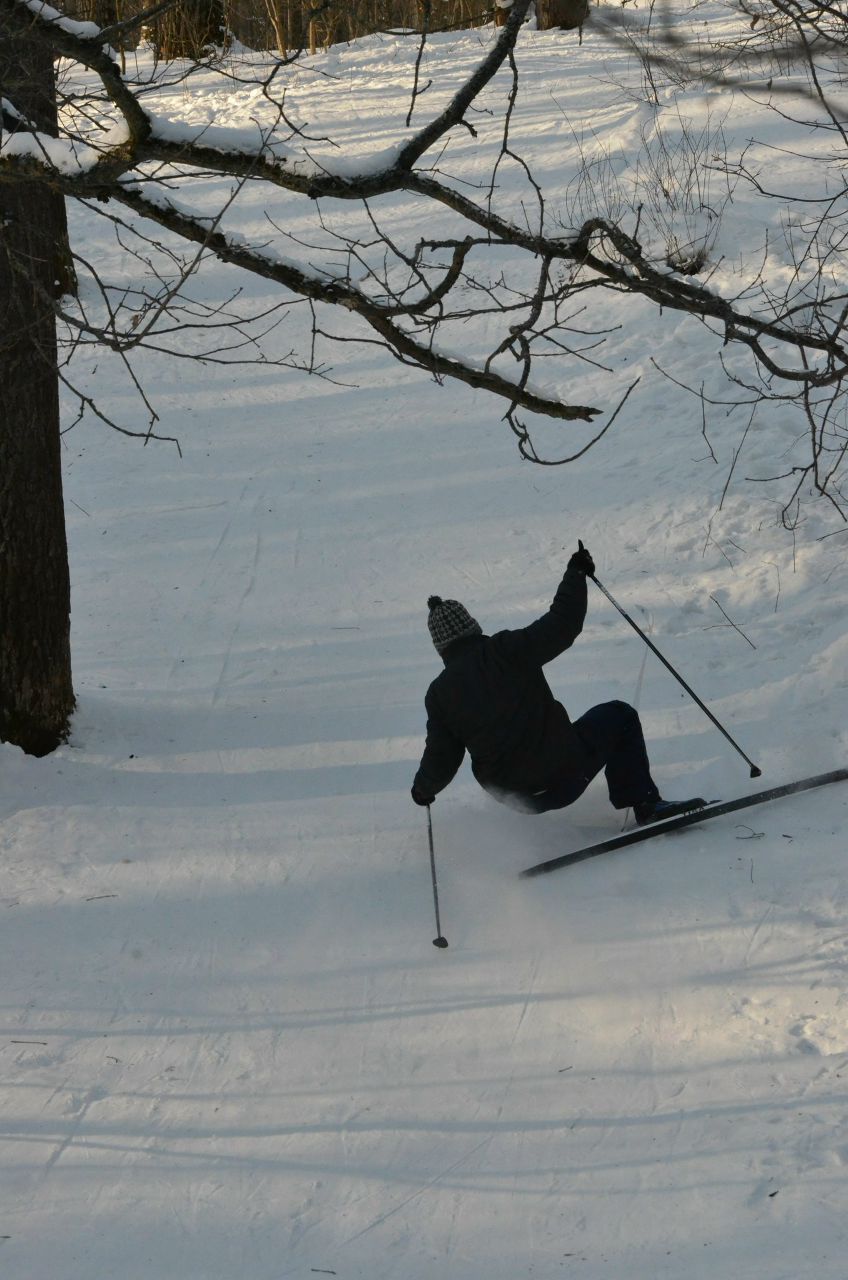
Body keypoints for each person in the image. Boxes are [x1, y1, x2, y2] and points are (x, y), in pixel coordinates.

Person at [411, 542, 704, 824]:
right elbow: (562, 624)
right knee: (620, 715)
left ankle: (515, 838)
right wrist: (575, 575)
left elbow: (442, 757)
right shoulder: (505, 649)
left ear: (440, 647)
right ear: (472, 625)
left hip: (520, 800)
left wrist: (423, 788)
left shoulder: (439, 694)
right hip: (566, 775)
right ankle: (645, 804)